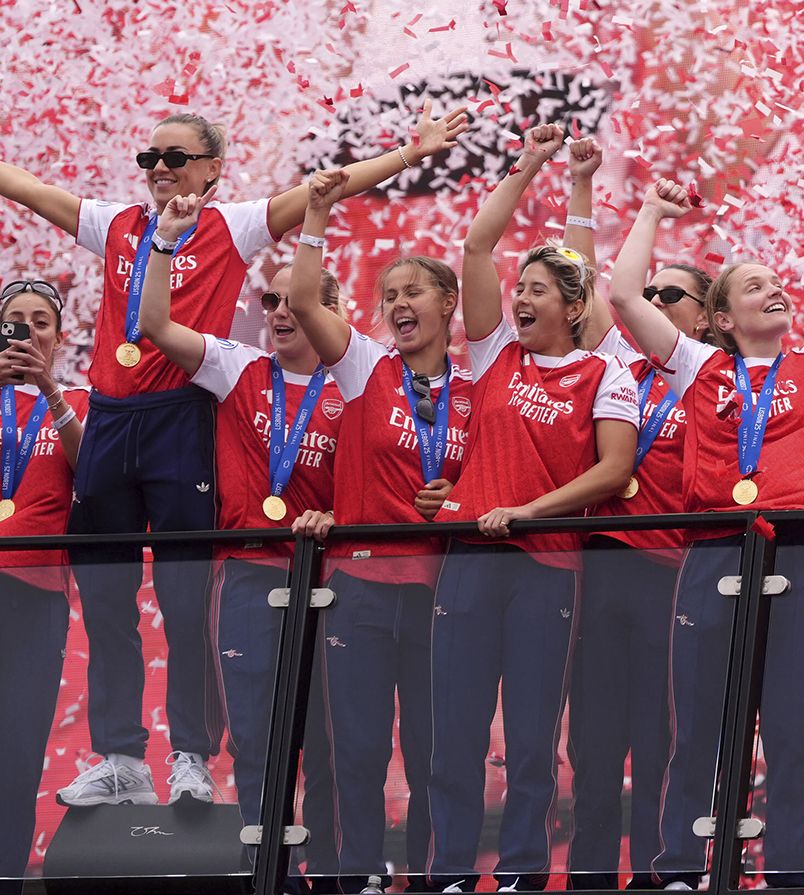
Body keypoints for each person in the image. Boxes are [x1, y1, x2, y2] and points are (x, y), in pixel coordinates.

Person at [0, 103, 468, 808]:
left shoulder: (234, 224)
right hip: (109, 419)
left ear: (212, 169)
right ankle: (123, 756)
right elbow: (29, 188)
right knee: (105, 599)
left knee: (185, 599)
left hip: (179, 418)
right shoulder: (117, 222)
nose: (159, 168)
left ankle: (190, 752)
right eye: (149, 158)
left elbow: (326, 188)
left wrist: (413, 152)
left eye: (176, 157)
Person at [606, 176, 804, 889]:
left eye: (779, 283)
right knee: (698, 724)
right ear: (723, 318)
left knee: (790, 730)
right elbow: (626, 297)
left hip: (797, 554)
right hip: (715, 551)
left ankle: (789, 871)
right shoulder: (698, 366)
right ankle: (680, 869)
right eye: (756, 287)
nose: (776, 291)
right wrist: (652, 212)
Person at [426, 123, 640, 893]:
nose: (518, 297)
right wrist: (527, 167)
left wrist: (526, 512)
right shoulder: (493, 356)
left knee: (528, 740)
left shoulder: (605, 373)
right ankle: (450, 872)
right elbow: (477, 251)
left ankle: (519, 872)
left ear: (574, 306)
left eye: (538, 289)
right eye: (521, 289)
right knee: (453, 732)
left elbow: (614, 471)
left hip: (547, 567)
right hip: (473, 559)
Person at [135, 189, 347, 843]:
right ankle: (266, 867)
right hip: (251, 578)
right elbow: (157, 326)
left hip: (332, 585)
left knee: (330, 736)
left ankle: (329, 869)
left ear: (327, 308)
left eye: (295, 299)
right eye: (270, 301)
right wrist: (165, 243)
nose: (281, 312)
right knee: (256, 731)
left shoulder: (356, 381)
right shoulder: (239, 367)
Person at [283, 168, 474, 895]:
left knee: (433, 749)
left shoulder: (476, 391)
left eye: (413, 291)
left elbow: (494, 474)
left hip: (440, 593)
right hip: (359, 588)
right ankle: (356, 872)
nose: (398, 303)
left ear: (448, 302)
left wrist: (457, 491)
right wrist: (319, 216)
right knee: (357, 748)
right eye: (388, 294)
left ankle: (432, 876)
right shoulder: (365, 368)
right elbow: (304, 298)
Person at [560, 142, 708, 892]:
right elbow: (589, 286)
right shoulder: (618, 361)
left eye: (671, 297)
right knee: (592, 743)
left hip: (671, 575)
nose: (654, 304)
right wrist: (583, 186)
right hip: (601, 565)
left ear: (706, 317)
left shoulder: (714, 380)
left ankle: (660, 877)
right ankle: (588, 878)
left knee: (660, 740)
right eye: (652, 293)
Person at [0, 279, 86, 892]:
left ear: (59, 337)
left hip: (36, 593)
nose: (28, 331)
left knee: (19, 747)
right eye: (15, 321)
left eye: (40, 322)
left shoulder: (78, 399)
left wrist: (49, 392)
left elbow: (96, 473)